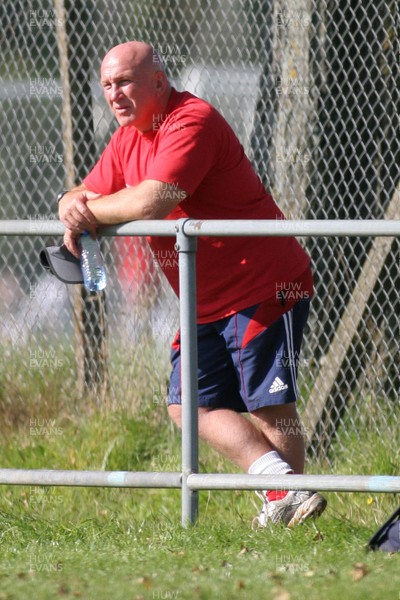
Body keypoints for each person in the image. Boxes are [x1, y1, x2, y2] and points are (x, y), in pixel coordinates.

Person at [59, 41, 327, 527]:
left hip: (264, 286)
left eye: (124, 83)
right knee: (187, 406)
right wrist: (67, 202)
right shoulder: (126, 139)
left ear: (158, 82)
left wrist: (86, 211)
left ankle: (292, 510)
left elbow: (152, 202)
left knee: (269, 406)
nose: (114, 95)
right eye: (106, 86)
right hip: (203, 300)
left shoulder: (190, 120)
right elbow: (86, 191)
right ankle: (285, 490)